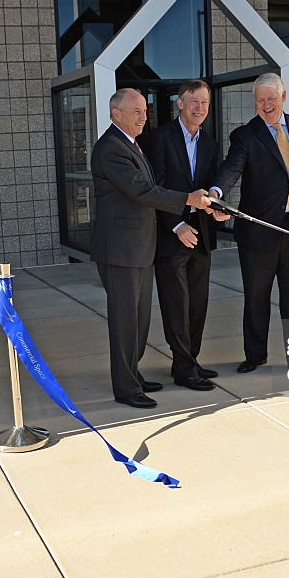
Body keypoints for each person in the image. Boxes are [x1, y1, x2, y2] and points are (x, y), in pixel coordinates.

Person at [209, 73, 289, 373]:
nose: (266, 105)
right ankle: (255, 356)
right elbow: (231, 169)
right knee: (256, 297)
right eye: (259, 100)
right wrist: (216, 194)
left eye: (271, 99)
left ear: (283, 97)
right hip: (258, 233)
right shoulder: (245, 135)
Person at [91, 88, 211, 409]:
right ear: (116, 114)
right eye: (136, 112)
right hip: (121, 250)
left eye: (145, 111)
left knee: (140, 320)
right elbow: (141, 190)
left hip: (140, 248)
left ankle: (134, 374)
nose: (144, 117)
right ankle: (126, 388)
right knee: (125, 321)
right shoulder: (110, 149)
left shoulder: (131, 144)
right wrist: (187, 198)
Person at [138, 80, 224, 391]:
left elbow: (210, 187)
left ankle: (190, 361)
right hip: (170, 236)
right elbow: (154, 189)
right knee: (177, 305)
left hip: (201, 236)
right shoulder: (158, 139)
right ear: (180, 103)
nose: (200, 108)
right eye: (194, 102)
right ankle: (184, 368)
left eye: (205, 103)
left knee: (198, 304)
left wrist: (218, 209)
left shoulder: (210, 145)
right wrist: (176, 224)